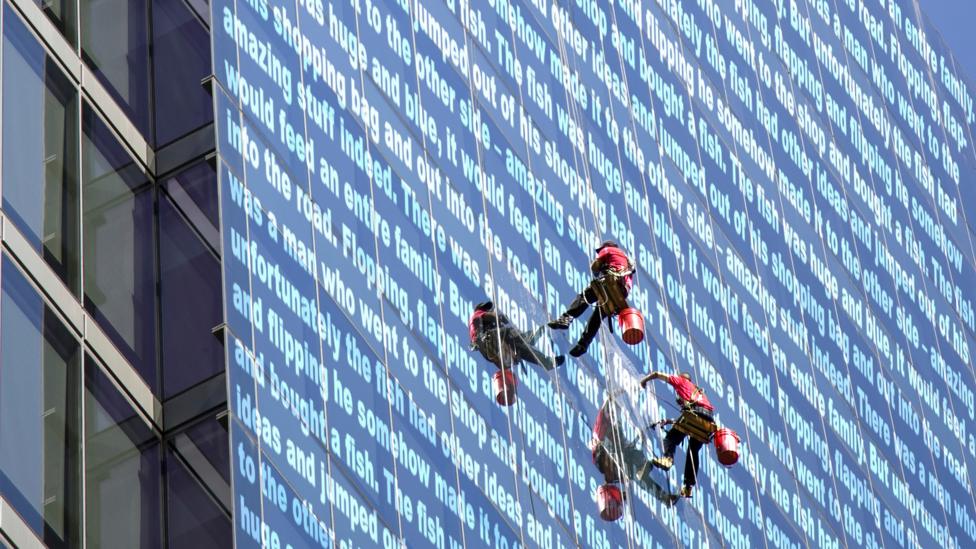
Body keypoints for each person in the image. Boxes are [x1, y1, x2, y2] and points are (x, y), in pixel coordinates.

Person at [548, 240, 635, 357]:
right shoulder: (627, 262)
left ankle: (566, 318)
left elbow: (595, 266)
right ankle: (584, 344)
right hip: (622, 292)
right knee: (597, 317)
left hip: (611, 282)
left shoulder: (608, 250)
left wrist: (597, 270)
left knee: (585, 296)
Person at [639, 371, 716, 498]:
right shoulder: (698, 392)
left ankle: (668, 458)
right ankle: (688, 487)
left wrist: (644, 381)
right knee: (693, 451)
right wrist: (671, 421)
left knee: (671, 438)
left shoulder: (681, 381)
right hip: (707, 421)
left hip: (696, 414)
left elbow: (657, 374)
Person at [469, 301, 564, 371]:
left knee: (521, 349)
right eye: (486, 309)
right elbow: (493, 316)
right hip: (489, 341)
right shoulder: (476, 315)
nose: (488, 310)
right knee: (511, 333)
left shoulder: (482, 327)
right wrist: (500, 317)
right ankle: (528, 337)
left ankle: (547, 363)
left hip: (491, 350)